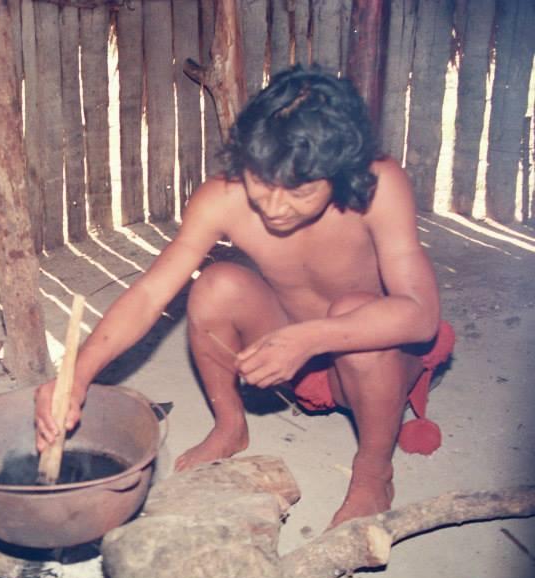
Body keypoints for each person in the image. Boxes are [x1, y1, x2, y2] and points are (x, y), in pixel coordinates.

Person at [34, 65, 453, 528]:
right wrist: (78, 375)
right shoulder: (222, 198)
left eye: (300, 191)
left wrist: (311, 338)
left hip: (377, 364)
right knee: (215, 285)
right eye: (262, 182)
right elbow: (151, 293)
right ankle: (231, 425)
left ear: (341, 171)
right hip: (292, 361)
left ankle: (374, 471)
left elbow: (421, 316)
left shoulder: (378, 185)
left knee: (352, 311)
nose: (275, 207)